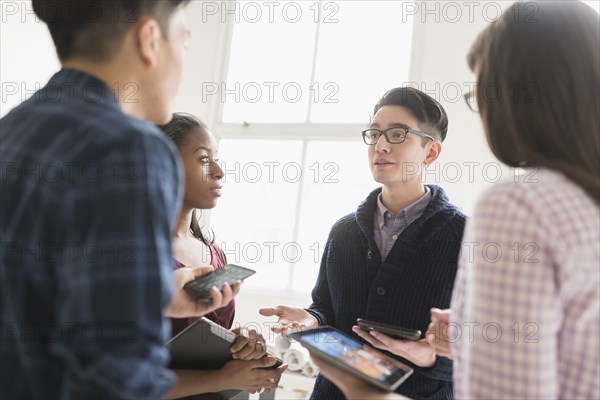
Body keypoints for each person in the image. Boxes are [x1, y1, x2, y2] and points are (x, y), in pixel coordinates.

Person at [303, 2, 600, 400]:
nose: (380, 146)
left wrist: (365, 390)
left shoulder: (516, 208)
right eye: (374, 133)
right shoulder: (582, 201)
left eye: (480, 95)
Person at [0, 2, 238, 399]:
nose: (182, 62)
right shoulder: (128, 147)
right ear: (149, 40)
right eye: (183, 40)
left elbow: (38, 292)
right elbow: (117, 373)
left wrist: (153, 294)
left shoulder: (13, 130)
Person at [261, 87, 466, 399]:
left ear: (431, 152)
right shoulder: (343, 231)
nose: (380, 145)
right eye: (374, 134)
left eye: (397, 134)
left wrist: (431, 358)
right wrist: (310, 318)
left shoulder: (465, 236)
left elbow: (490, 352)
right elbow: (325, 307)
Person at [160, 113, 288, 399]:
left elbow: (207, 338)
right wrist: (221, 378)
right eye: (204, 159)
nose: (219, 171)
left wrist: (240, 343)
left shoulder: (214, 253)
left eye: (216, 158)